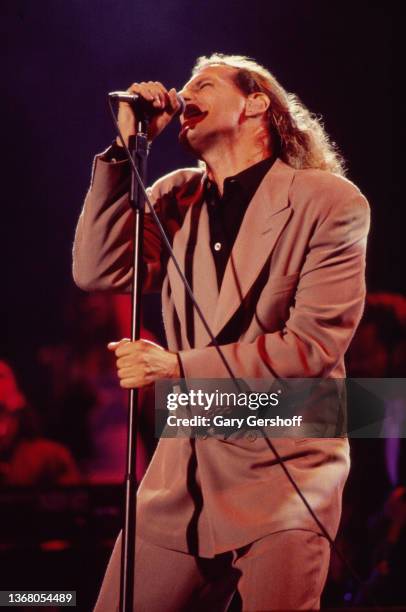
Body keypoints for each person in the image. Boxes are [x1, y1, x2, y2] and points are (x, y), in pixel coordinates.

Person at [73, 54, 370, 611]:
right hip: (184, 466)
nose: (183, 97)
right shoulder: (176, 195)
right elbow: (100, 269)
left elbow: (312, 348)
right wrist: (124, 154)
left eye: (202, 85)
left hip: (285, 466)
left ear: (256, 103)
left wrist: (177, 368)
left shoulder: (328, 201)